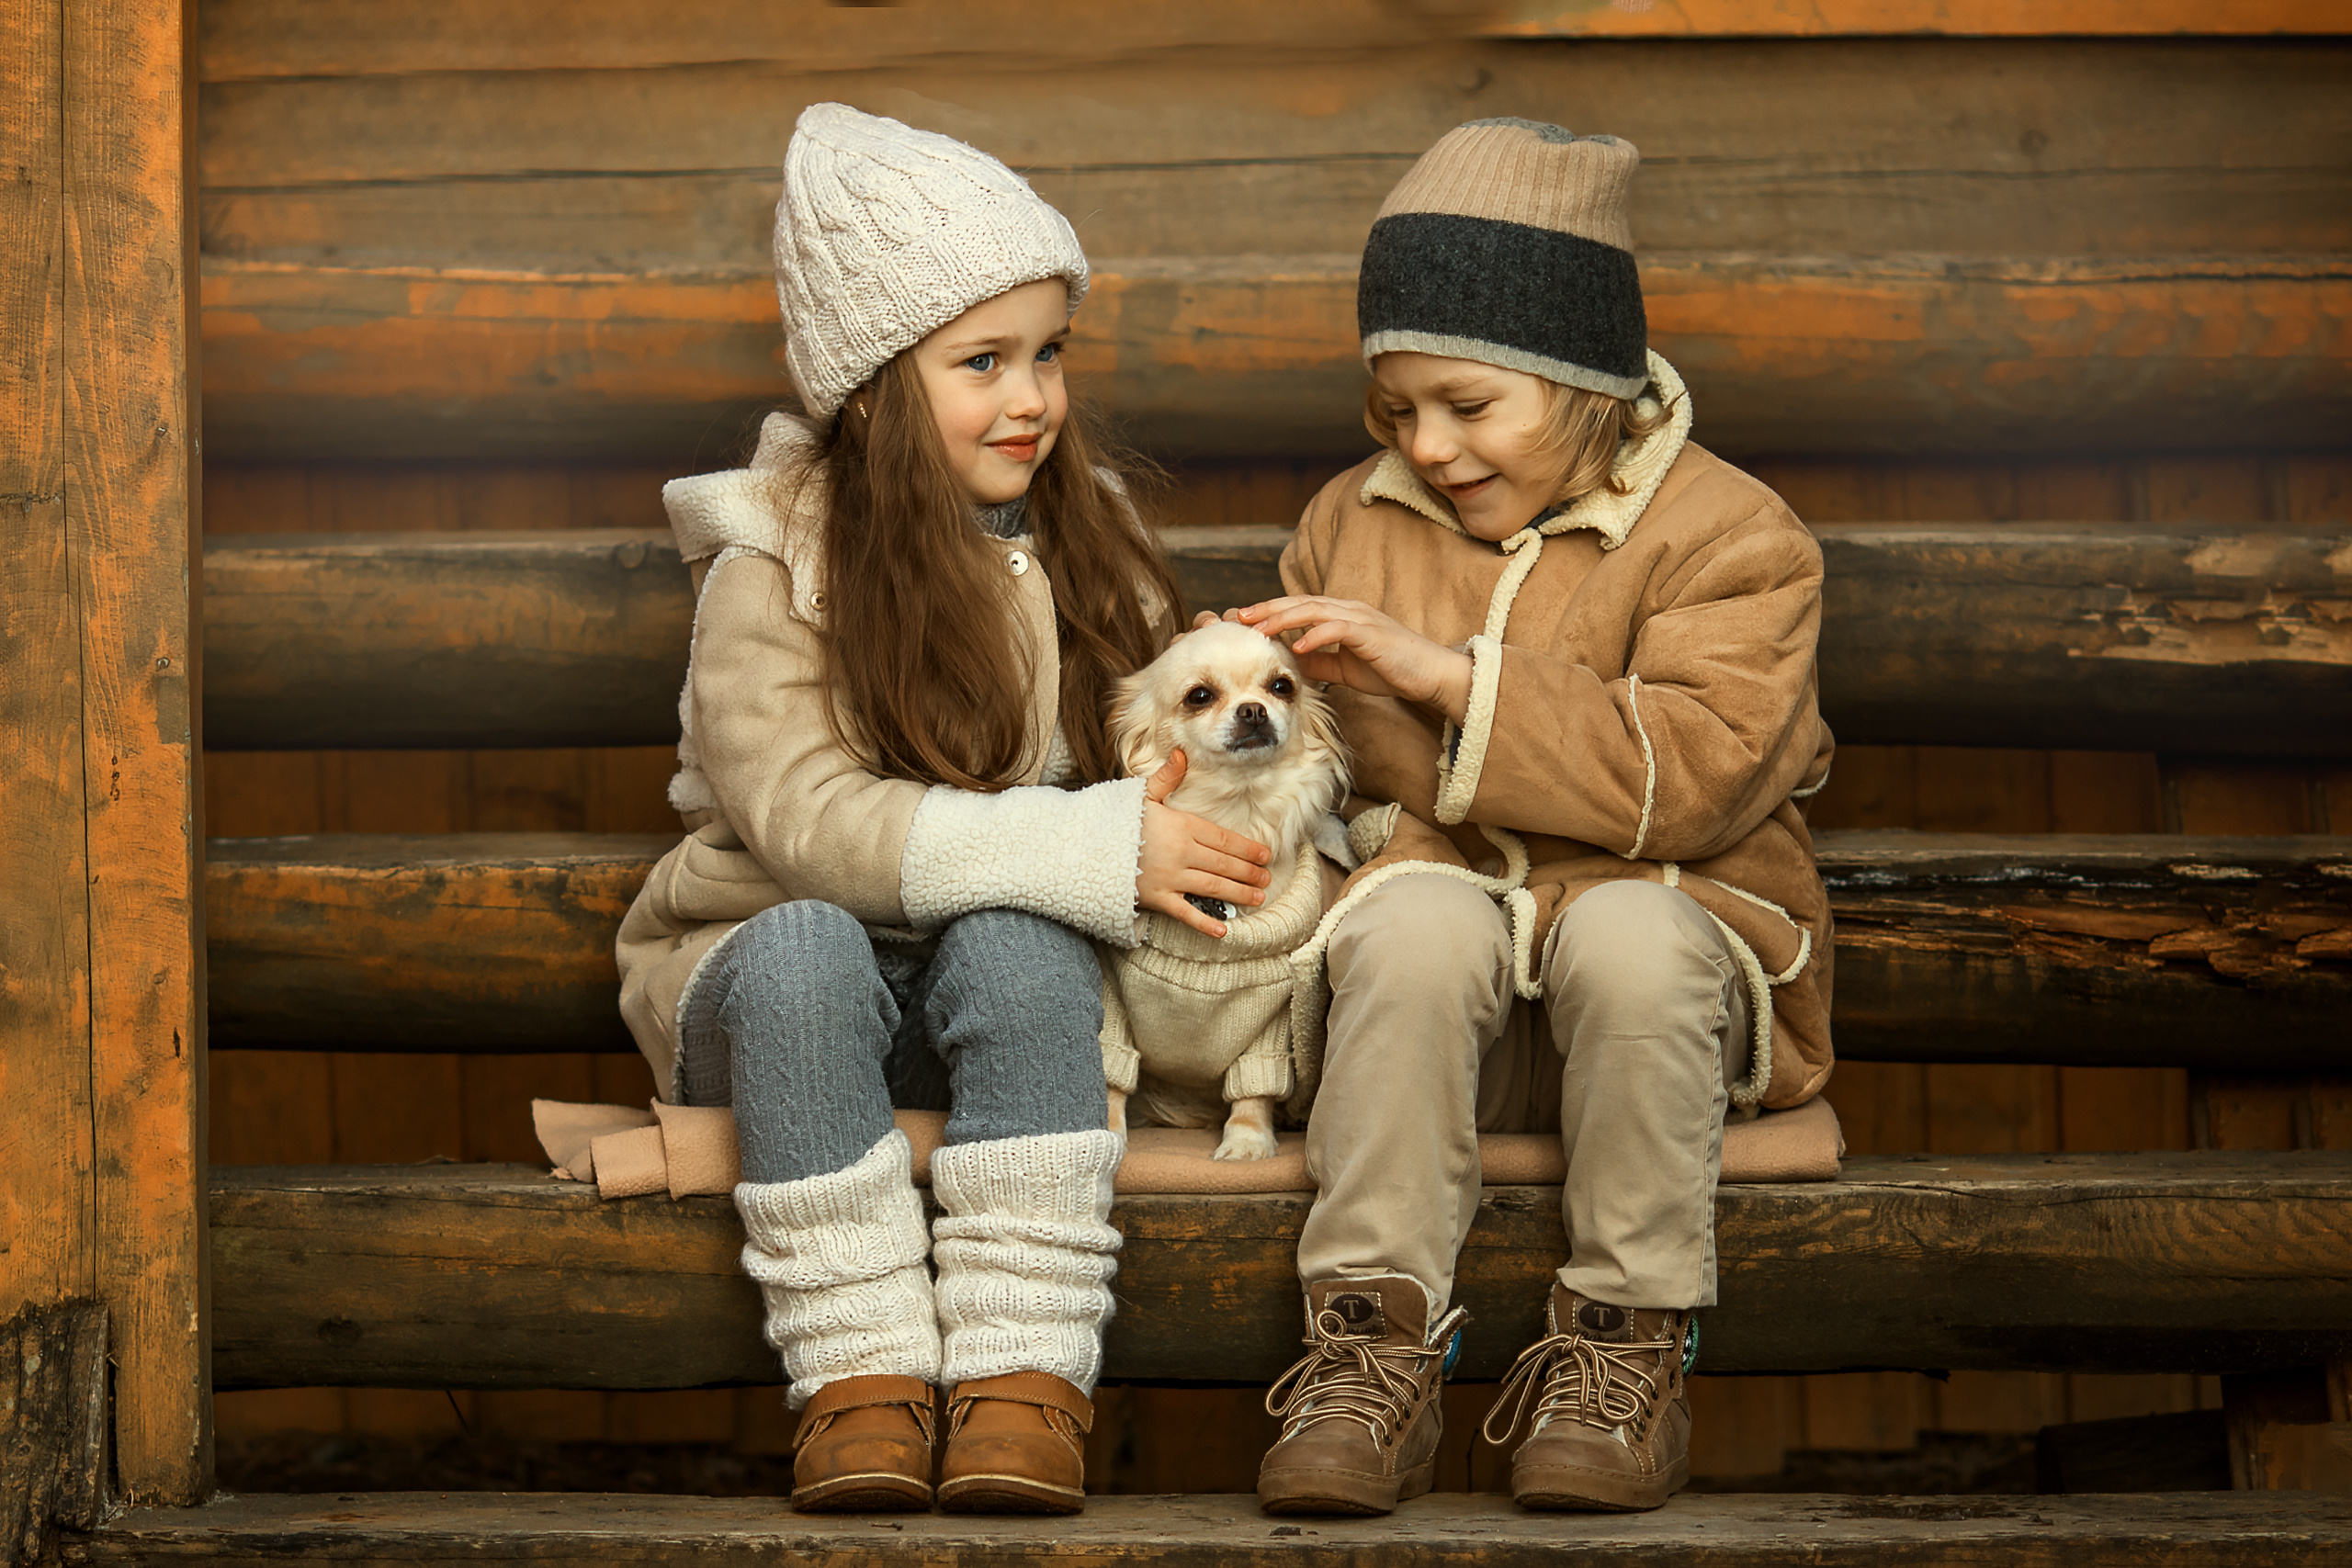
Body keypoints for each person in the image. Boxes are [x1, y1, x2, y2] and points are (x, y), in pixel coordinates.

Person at [613, 103, 1272, 1517]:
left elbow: (1139, 754)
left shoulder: (1086, 533)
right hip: (768, 993)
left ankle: (1025, 1379)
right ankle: (857, 1378)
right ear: (871, 393)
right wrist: (1096, 844)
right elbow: (812, 826)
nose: (1030, 397)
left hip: (980, 1003)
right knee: (806, 950)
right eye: (982, 362)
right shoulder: (773, 568)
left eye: (1049, 353)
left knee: (1029, 940)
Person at [1236, 118, 1837, 1516]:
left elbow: (1695, 772)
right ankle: (1367, 1350)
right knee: (1411, 930)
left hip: (1661, 1007)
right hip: (1450, 1023)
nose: (1428, 446)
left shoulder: (1735, 537)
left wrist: (1446, 676)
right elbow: (1325, 768)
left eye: (1467, 403)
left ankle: (1625, 1349)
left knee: (1632, 936)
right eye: (1397, 411)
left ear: (1585, 383)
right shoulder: (1351, 521)